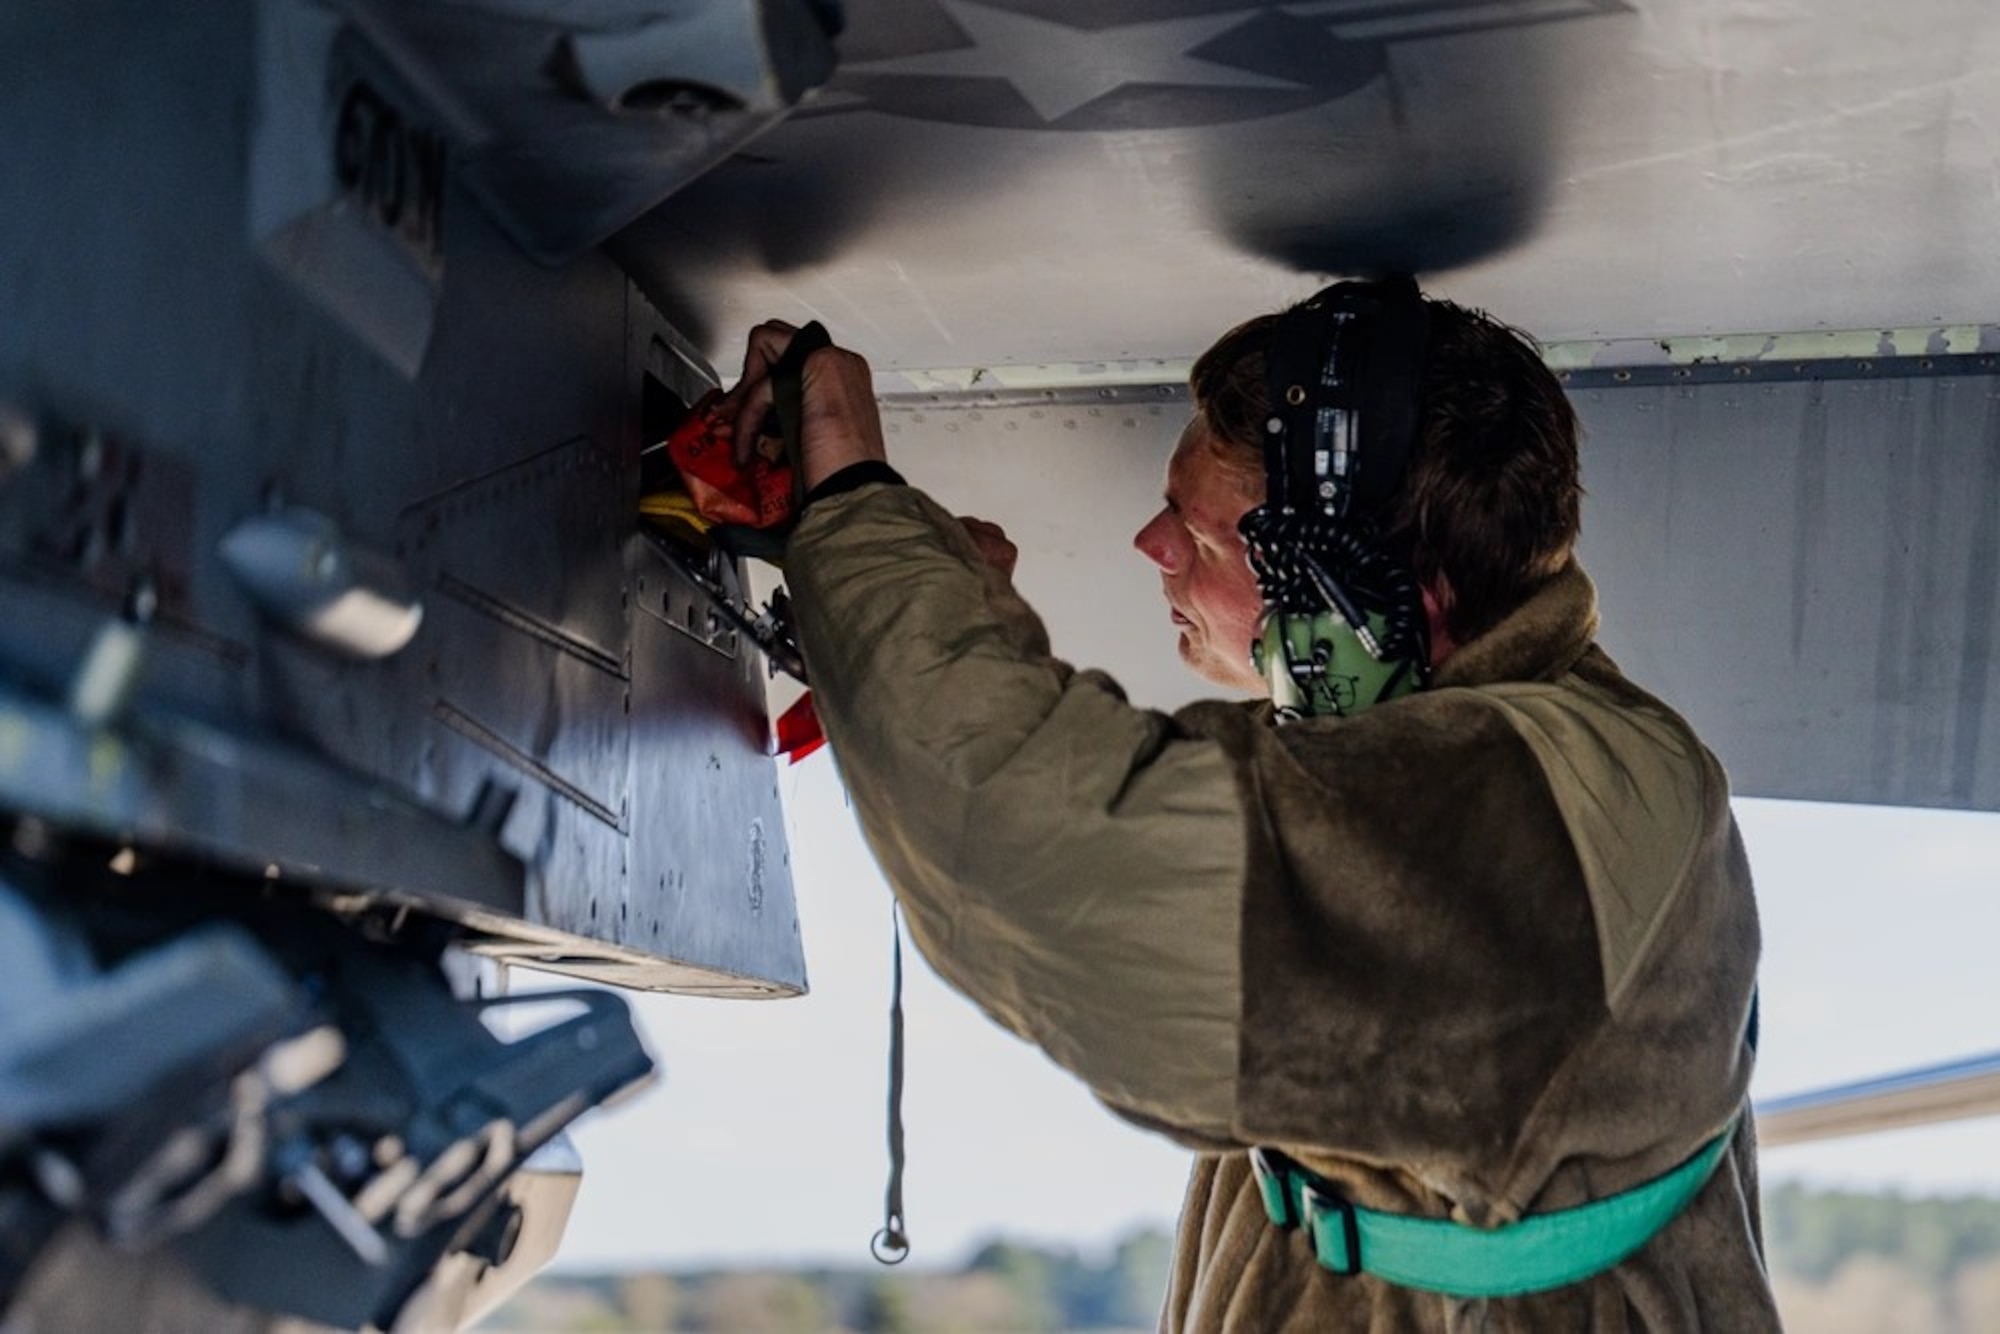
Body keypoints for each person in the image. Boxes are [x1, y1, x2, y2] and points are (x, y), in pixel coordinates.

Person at [716, 288, 1778, 1331]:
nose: (1150, 545)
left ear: (1381, 595)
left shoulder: (1531, 807)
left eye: (1203, 533)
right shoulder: (1507, 750)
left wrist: (850, 488)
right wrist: (929, 615)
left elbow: (1052, 855)